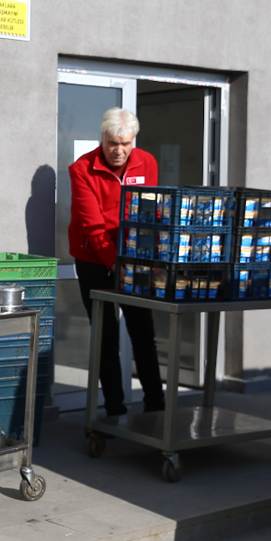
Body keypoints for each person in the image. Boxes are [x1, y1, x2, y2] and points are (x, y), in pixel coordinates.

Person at [68, 107, 165, 416]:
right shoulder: (82, 169)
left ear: (133, 140)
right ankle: (114, 409)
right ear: (103, 138)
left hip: (132, 257)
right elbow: (93, 225)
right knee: (105, 335)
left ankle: (156, 405)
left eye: (126, 143)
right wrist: (113, 263)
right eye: (113, 143)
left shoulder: (146, 162)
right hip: (93, 259)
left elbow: (149, 213)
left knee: (142, 330)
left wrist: (149, 255)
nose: (119, 151)